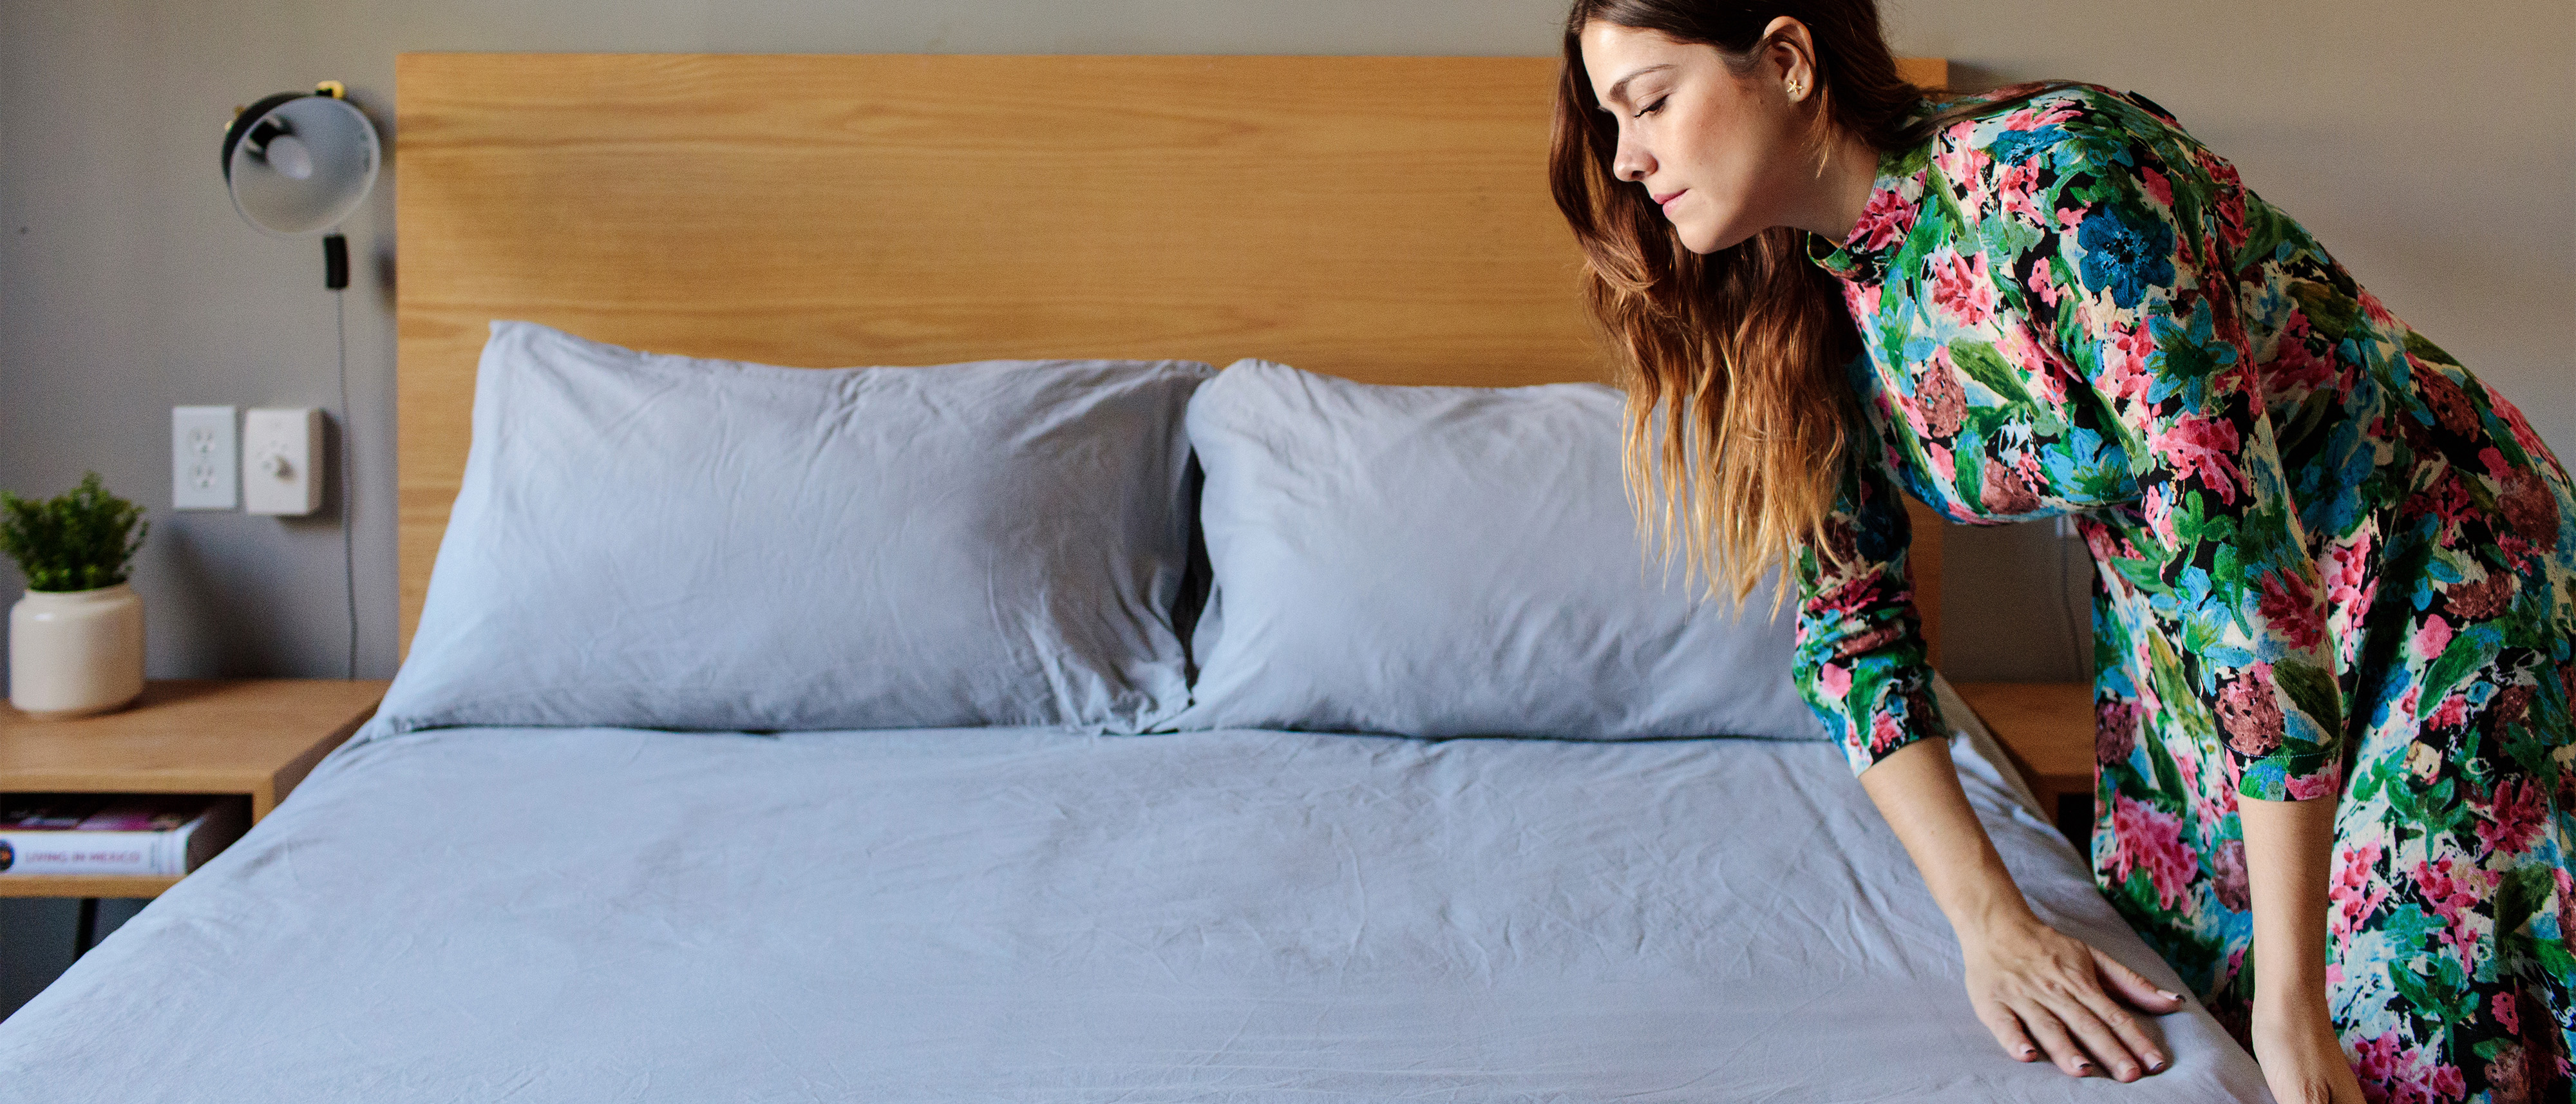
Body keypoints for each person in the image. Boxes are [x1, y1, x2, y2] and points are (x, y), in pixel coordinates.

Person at [1547, 3, 2575, 1101]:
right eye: (1613, 119)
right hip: (2194, 643)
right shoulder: (1801, 297)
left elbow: (2239, 553)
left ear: (1790, 61)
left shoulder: (2057, 182)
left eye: (1651, 101)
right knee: (2211, 1013)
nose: (1629, 157)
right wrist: (1993, 923)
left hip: (2437, 583)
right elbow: (1854, 635)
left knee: (2397, 1035)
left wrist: (2295, 1000)